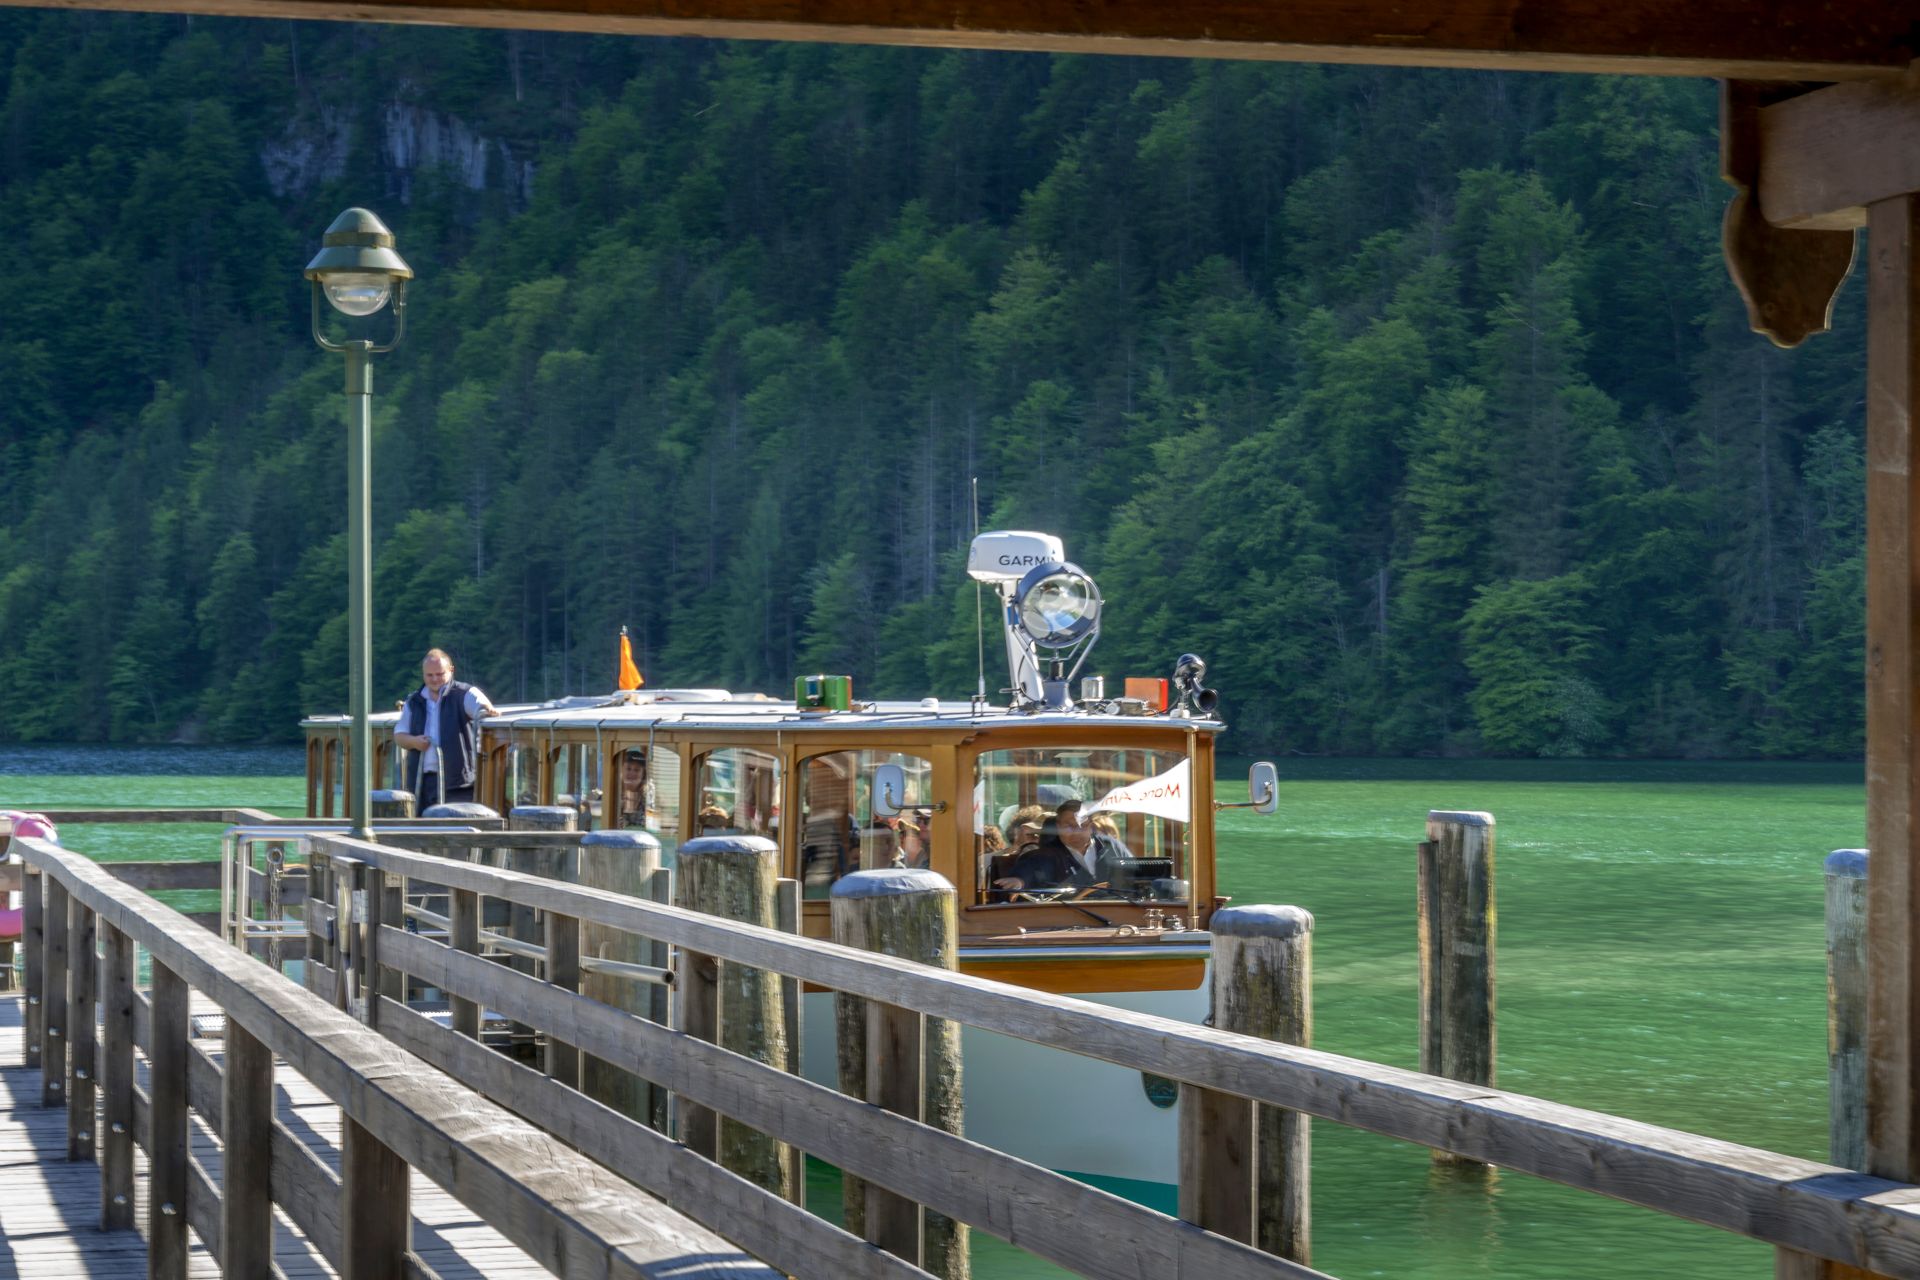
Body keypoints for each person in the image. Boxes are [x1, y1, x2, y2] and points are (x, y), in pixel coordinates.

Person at [393, 648, 497, 808]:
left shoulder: (465, 694)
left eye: (440, 674)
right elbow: (399, 735)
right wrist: (414, 742)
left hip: (458, 783)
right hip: (422, 783)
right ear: (423, 674)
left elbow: (483, 709)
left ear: (451, 670)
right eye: (429, 675)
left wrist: (487, 710)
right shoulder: (414, 701)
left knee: (454, 829)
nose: (435, 679)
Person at [994, 799, 1133, 894]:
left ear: (1091, 826)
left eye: (1082, 825)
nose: (1077, 831)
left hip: (1113, 917)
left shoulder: (1111, 846)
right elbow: (1030, 872)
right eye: (1069, 826)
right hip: (1065, 920)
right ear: (1058, 827)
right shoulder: (1046, 855)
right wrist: (1019, 881)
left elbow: (1137, 873)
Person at [617, 748, 657, 829]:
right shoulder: (611, 792)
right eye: (628, 769)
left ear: (643, 774)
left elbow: (653, 825)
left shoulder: (649, 796)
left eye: (637, 770)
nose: (632, 773)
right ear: (621, 771)